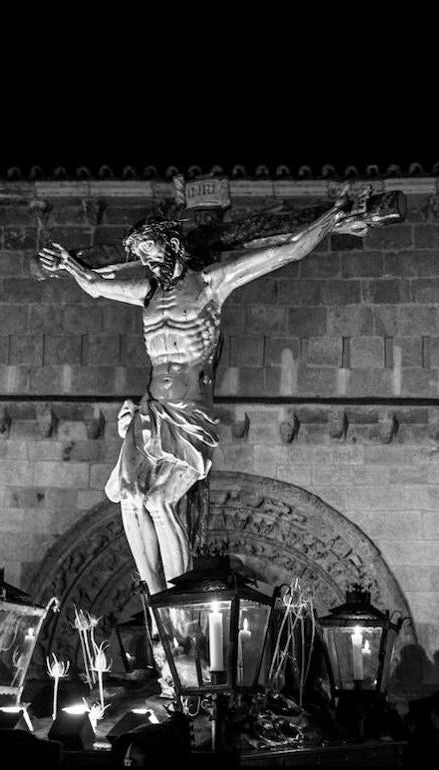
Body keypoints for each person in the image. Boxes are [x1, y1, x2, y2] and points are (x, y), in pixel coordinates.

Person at [36, 185, 398, 594]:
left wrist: (332, 217)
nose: (144, 260)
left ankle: (178, 596)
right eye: (139, 255)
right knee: (130, 498)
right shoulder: (149, 293)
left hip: (189, 409)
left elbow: (288, 250)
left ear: (172, 244)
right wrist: (68, 264)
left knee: (160, 500)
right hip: (150, 409)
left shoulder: (211, 283)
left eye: (150, 251)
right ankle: (155, 597)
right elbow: (96, 285)